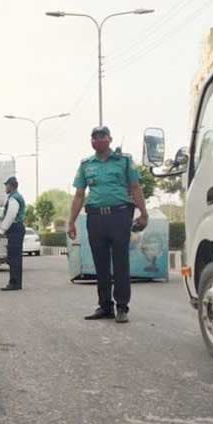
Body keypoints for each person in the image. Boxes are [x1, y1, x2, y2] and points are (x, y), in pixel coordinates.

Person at [68, 126, 148, 323]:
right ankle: (105, 306)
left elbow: (135, 187)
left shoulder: (124, 161)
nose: (98, 140)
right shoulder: (86, 164)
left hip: (119, 216)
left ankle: (122, 307)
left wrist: (144, 214)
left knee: (120, 262)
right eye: (94, 137)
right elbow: (79, 195)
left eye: (102, 136)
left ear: (110, 139)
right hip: (95, 218)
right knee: (100, 264)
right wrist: (71, 222)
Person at [0, 176, 26, 291]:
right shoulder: (13, 197)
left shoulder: (14, 198)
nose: (5, 187)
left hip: (15, 228)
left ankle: (14, 283)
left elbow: (10, 216)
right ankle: (16, 283)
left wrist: (1, 231)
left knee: (14, 257)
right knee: (15, 257)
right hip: (16, 229)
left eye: (6, 185)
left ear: (11, 186)